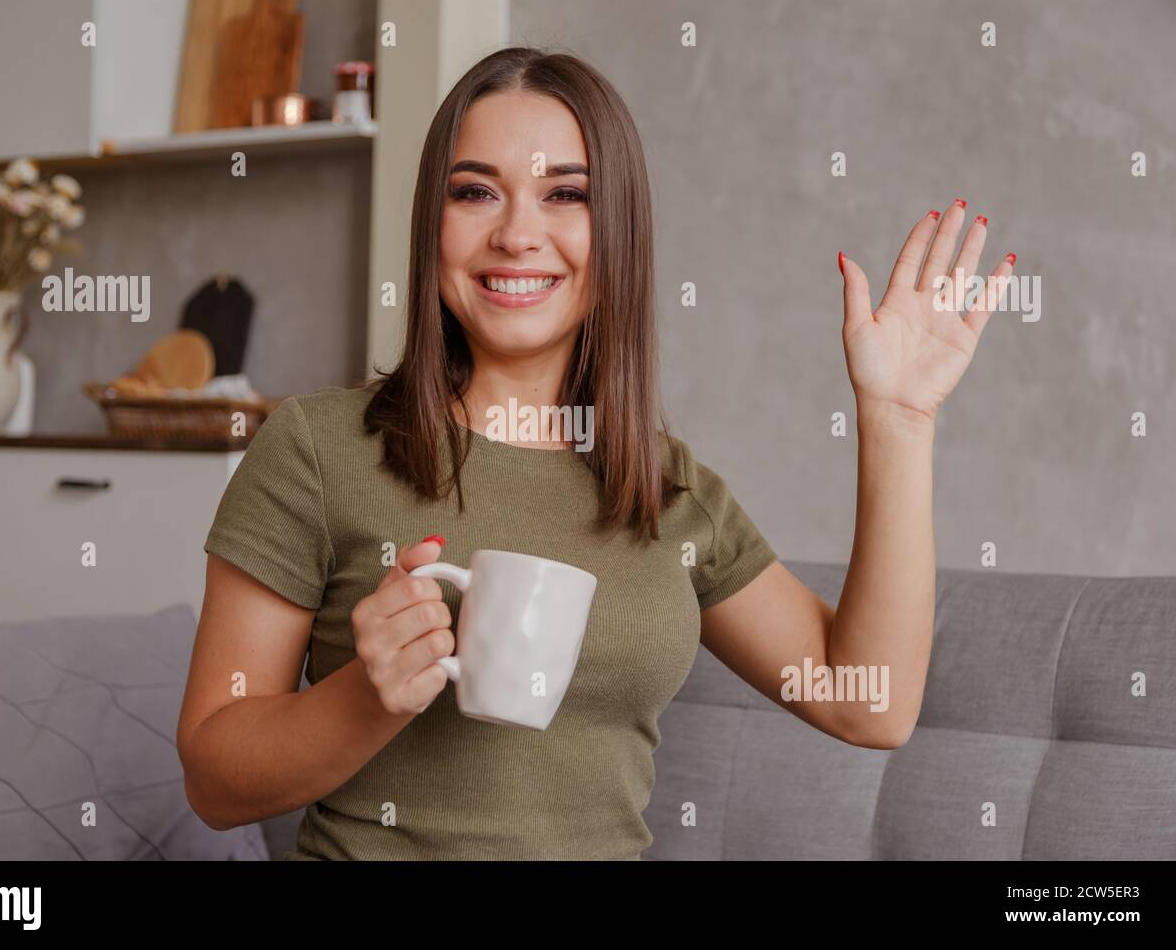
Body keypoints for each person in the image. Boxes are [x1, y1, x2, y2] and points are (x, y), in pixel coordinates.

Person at [176, 47, 1011, 860]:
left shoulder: (667, 489)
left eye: (564, 194)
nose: (516, 234)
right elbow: (214, 780)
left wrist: (897, 419)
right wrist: (366, 696)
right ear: (433, 226)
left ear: (617, 240)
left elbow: (868, 706)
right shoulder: (317, 448)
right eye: (475, 192)